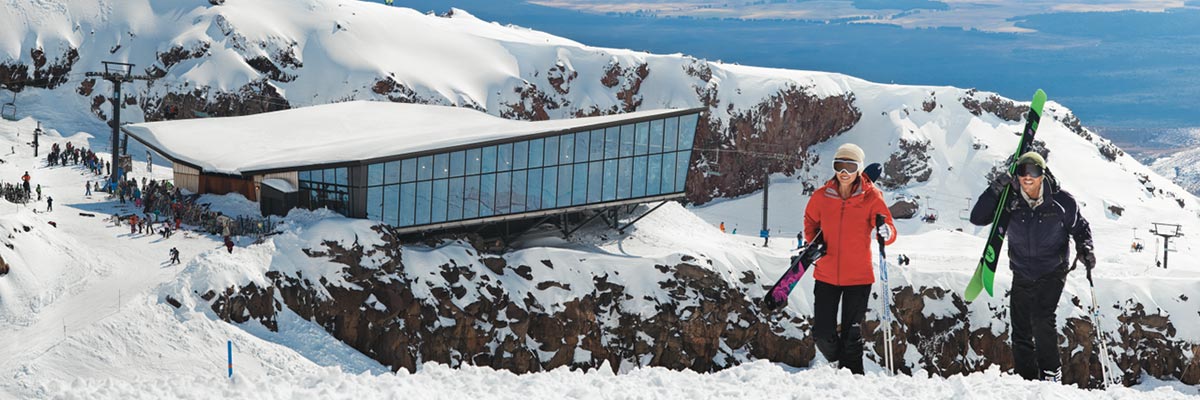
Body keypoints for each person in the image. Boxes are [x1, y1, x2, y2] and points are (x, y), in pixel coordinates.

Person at [969, 152, 1094, 382]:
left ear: (1042, 173)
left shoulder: (1062, 202)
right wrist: (995, 188)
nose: (1028, 177)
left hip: (1052, 270)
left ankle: (1050, 373)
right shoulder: (1009, 200)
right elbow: (977, 218)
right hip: (1022, 270)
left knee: (1041, 317)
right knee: (1020, 328)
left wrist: (1085, 248)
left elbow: (1080, 227)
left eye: (1033, 171)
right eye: (1022, 172)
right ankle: (1026, 380)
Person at [803, 143, 897, 375]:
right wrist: (813, 241)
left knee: (852, 335)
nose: (844, 172)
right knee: (823, 333)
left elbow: (889, 226)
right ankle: (838, 362)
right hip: (826, 274)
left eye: (850, 166)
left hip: (858, 277)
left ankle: (853, 384)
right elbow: (810, 221)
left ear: (858, 168)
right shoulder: (821, 196)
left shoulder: (871, 196)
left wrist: (887, 233)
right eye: (839, 165)